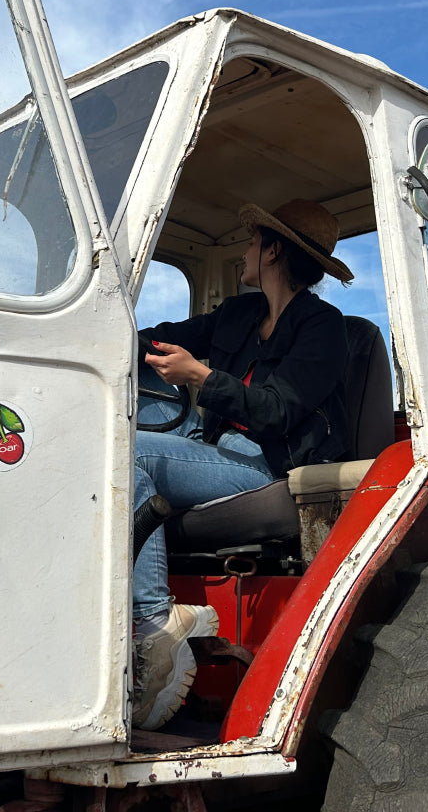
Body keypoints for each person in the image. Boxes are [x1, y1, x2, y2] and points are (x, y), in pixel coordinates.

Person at [132, 199, 354, 730]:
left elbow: (278, 412)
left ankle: (155, 622)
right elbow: (161, 340)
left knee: (126, 451)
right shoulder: (239, 314)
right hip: (215, 445)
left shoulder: (325, 329)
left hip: (267, 467)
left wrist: (201, 377)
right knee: (117, 416)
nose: (245, 252)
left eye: (253, 243)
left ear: (273, 251)